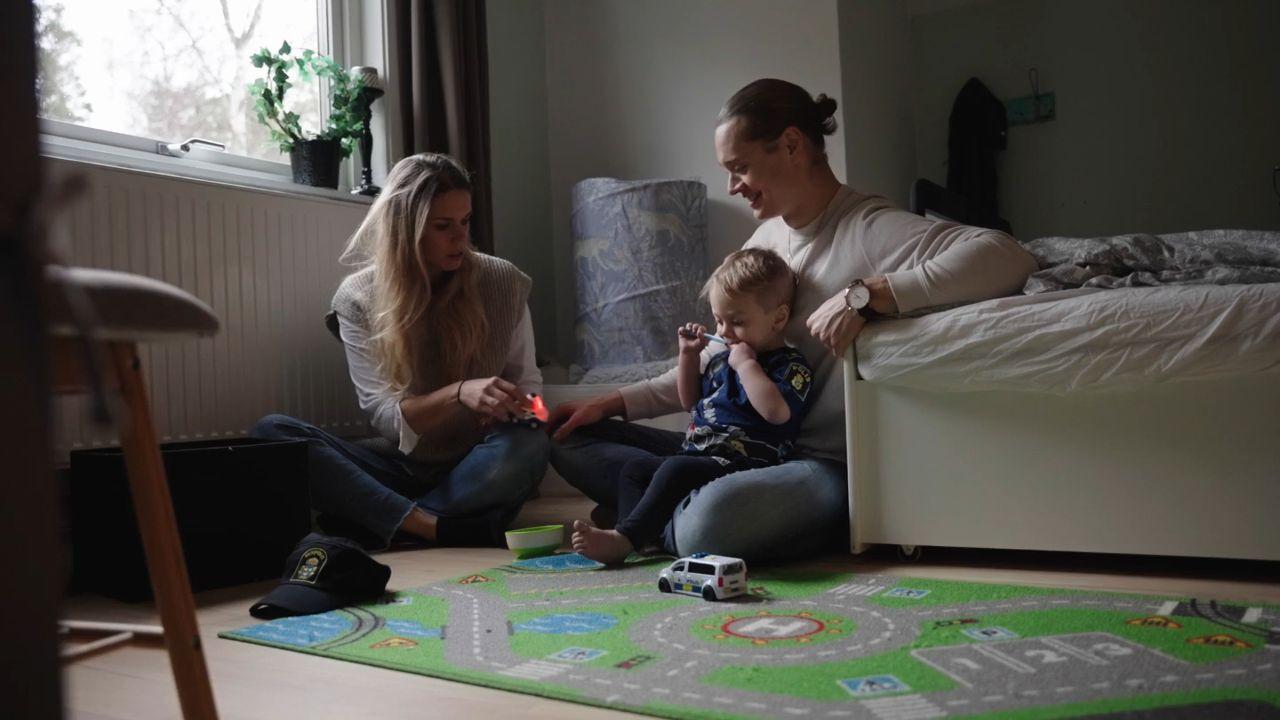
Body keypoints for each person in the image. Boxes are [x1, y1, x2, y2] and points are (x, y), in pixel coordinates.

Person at [550, 78, 1039, 562]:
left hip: (814, 465)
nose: (731, 186)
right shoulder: (759, 244)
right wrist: (610, 403)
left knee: (709, 524)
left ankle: (650, 518)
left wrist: (869, 296)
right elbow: (716, 360)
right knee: (570, 440)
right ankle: (657, 515)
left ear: (790, 145)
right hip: (729, 449)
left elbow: (1008, 257)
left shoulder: (870, 229)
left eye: (740, 168)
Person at [252, 153, 549, 550]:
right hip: (394, 466)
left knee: (530, 442)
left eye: (465, 222)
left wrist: (522, 413)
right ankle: (433, 527)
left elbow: (532, 392)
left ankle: (383, 520)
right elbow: (385, 419)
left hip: (477, 464)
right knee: (272, 434)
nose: (460, 238)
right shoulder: (358, 298)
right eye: (443, 226)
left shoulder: (503, 282)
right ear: (405, 227)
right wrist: (460, 392)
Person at [571, 248, 814, 563]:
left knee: (675, 469)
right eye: (718, 320)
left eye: (737, 322)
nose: (724, 332)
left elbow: (776, 412)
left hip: (743, 461)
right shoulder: (722, 359)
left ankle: (624, 538)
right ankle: (642, 536)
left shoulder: (791, 366)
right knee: (635, 470)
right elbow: (690, 402)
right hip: (699, 451)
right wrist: (687, 356)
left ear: (778, 318)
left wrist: (747, 367)